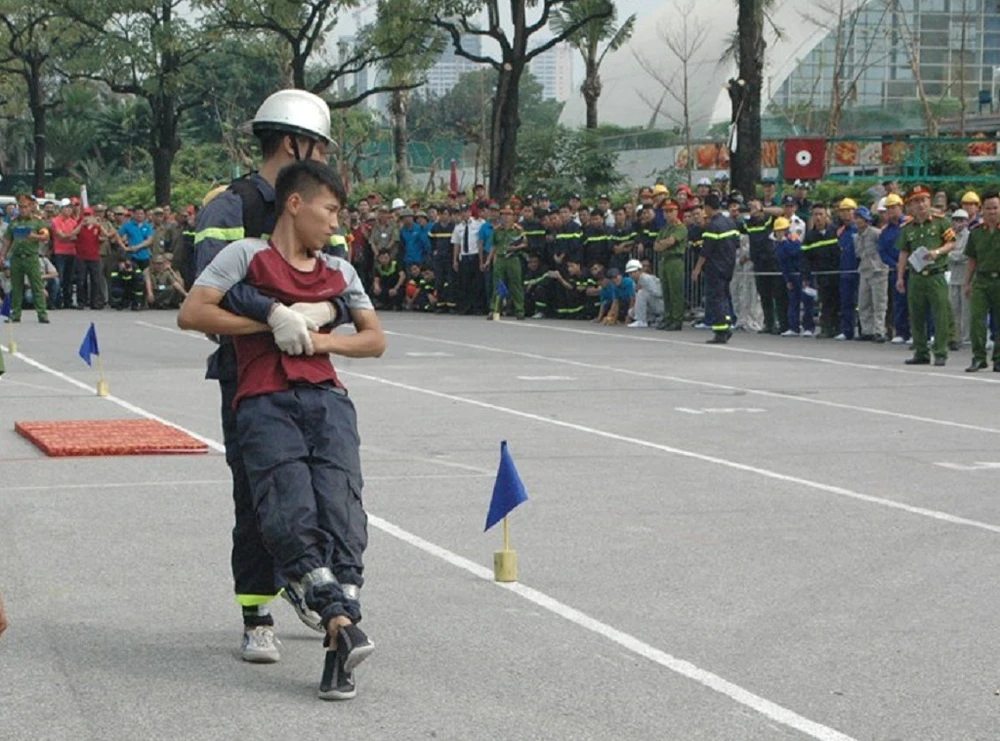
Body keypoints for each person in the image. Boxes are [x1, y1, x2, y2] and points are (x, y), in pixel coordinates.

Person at [179, 159, 384, 701]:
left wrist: (321, 335)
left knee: (343, 512)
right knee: (287, 513)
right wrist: (272, 319)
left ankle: (339, 629)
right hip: (264, 399)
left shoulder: (339, 271)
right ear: (296, 203)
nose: (335, 224)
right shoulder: (244, 257)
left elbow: (374, 339)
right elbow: (193, 313)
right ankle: (341, 626)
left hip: (327, 399)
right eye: (330, 210)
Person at [193, 88, 352, 657]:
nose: (325, 160)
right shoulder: (229, 206)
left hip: (312, 372)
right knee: (257, 494)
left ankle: (315, 587)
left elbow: (342, 281)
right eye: (319, 147)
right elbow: (208, 290)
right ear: (294, 142)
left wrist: (323, 311)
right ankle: (256, 612)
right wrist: (273, 312)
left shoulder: (319, 204)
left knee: (322, 492)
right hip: (248, 373)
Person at [896, 185, 955, 366]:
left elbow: (951, 243)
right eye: (916, 202)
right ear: (910, 206)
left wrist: (937, 252)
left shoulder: (940, 221)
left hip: (936, 274)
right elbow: (904, 252)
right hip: (916, 276)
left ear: (929, 202)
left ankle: (940, 352)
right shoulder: (908, 227)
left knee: (940, 315)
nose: (920, 205)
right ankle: (921, 351)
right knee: (917, 315)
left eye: (923, 200)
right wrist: (900, 277)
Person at [692, 193, 738, 344]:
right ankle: (727, 323)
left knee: (715, 298)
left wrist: (697, 269)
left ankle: (721, 330)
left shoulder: (713, 226)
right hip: (728, 265)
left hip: (715, 267)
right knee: (724, 297)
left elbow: (706, 251)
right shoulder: (730, 223)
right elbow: (736, 243)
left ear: (708, 207)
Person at [963, 191, 1000, 372]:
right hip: (981, 280)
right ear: (981, 210)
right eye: (988, 208)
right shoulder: (976, 232)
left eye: (995, 208)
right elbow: (972, 259)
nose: (992, 212)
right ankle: (978, 357)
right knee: (977, 319)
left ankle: (998, 358)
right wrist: (967, 283)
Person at [1, 194, 50, 324]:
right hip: (16, 258)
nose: (23, 209)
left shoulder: (37, 221)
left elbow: (46, 236)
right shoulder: (14, 222)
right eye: (20, 207)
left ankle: (42, 314)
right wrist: (2, 255)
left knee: (37, 286)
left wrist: (35, 236)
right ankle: (16, 313)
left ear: (31, 207)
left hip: (31, 257)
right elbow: (7, 240)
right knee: (16, 287)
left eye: (25, 207)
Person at [773, 217, 814, 337]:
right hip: (791, 276)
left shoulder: (793, 239)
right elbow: (783, 263)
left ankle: (808, 327)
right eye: (777, 231)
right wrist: (787, 279)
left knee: (807, 302)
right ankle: (794, 327)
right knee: (793, 302)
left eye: (781, 230)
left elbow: (795, 253)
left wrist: (805, 277)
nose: (779, 233)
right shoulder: (778, 244)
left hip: (801, 274)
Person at [878, 194, 909, 343]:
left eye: (893, 207)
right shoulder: (886, 231)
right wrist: (894, 264)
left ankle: (917, 332)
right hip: (895, 270)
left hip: (913, 269)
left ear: (901, 207)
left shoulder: (910, 224)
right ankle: (901, 332)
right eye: (888, 208)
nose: (891, 210)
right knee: (899, 302)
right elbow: (882, 252)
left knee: (916, 302)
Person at [853, 207, 887, 342]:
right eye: (856, 218)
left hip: (878, 271)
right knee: (864, 303)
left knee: (879, 303)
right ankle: (867, 330)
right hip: (864, 270)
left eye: (860, 218)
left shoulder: (875, 233)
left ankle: (879, 330)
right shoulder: (856, 236)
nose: (858, 221)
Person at [653, 200, 686, 331]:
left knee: (675, 291)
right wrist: (663, 244)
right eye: (665, 211)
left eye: (670, 211)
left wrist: (664, 243)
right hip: (664, 260)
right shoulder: (665, 228)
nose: (667, 214)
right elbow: (656, 246)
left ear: (676, 212)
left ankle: (677, 319)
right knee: (666, 291)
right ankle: (668, 317)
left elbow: (671, 241)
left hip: (675, 260)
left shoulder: (680, 227)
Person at [490, 205, 527, 320]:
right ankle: (495, 310)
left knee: (516, 285)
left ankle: (519, 310)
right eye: (504, 214)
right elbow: (494, 246)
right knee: (498, 285)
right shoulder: (497, 230)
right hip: (501, 258)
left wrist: (515, 248)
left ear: (513, 216)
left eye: (509, 214)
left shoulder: (518, 229)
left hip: (513, 258)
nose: (506, 217)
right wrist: (490, 260)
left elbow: (525, 243)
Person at [451, 204, 485, 315]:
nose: (464, 214)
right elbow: (456, 244)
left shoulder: (478, 224)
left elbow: (481, 240)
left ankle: (477, 307)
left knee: (476, 283)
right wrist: (455, 260)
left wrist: (481, 260)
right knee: (464, 284)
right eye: (462, 212)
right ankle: (465, 307)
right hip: (464, 257)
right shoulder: (458, 227)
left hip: (474, 255)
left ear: (470, 212)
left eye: (466, 211)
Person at [947, 208, 972, 349]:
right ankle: (954, 337)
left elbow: (964, 255)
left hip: (965, 276)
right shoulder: (950, 236)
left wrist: (949, 254)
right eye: (956, 220)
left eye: (961, 220)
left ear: (967, 222)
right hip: (952, 276)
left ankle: (966, 337)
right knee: (953, 308)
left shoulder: (969, 236)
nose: (958, 223)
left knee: (966, 310)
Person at [625, 259, 663, 328]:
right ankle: (651, 320)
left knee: (641, 293)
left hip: (660, 304)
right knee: (631, 312)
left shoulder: (647, 278)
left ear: (640, 271)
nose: (632, 275)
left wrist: (644, 289)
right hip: (650, 305)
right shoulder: (634, 282)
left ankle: (642, 321)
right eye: (630, 273)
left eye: (634, 272)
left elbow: (659, 293)